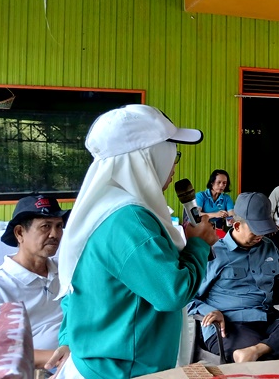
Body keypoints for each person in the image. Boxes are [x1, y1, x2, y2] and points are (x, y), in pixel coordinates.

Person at [49, 104, 219, 378]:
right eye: (173, 152)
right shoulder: (130, 220)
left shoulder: (104, 206)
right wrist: (198, 244)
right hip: (121, 370)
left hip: (100, 362)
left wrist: (68, 336)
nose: (175, 164)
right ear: (148, 156)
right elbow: (171, 292)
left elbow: (74, 285)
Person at [190, 192, 279, 363]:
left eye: (265, 229)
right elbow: (188, 297)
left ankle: (260, 349)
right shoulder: (213, 253)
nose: (261, 235)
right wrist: (209, 311)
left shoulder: (269, 247)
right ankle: (267, 350)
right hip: (229, 326)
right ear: (237, 226)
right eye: (256, 230)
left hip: (267, 320)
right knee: (268, 358)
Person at [0, 195, 69, 369]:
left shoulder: (67, 269)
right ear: (19, 233)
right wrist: (67, 358)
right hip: (44, 370)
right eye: (45, 226)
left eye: (59, 226)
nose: (55, 234)